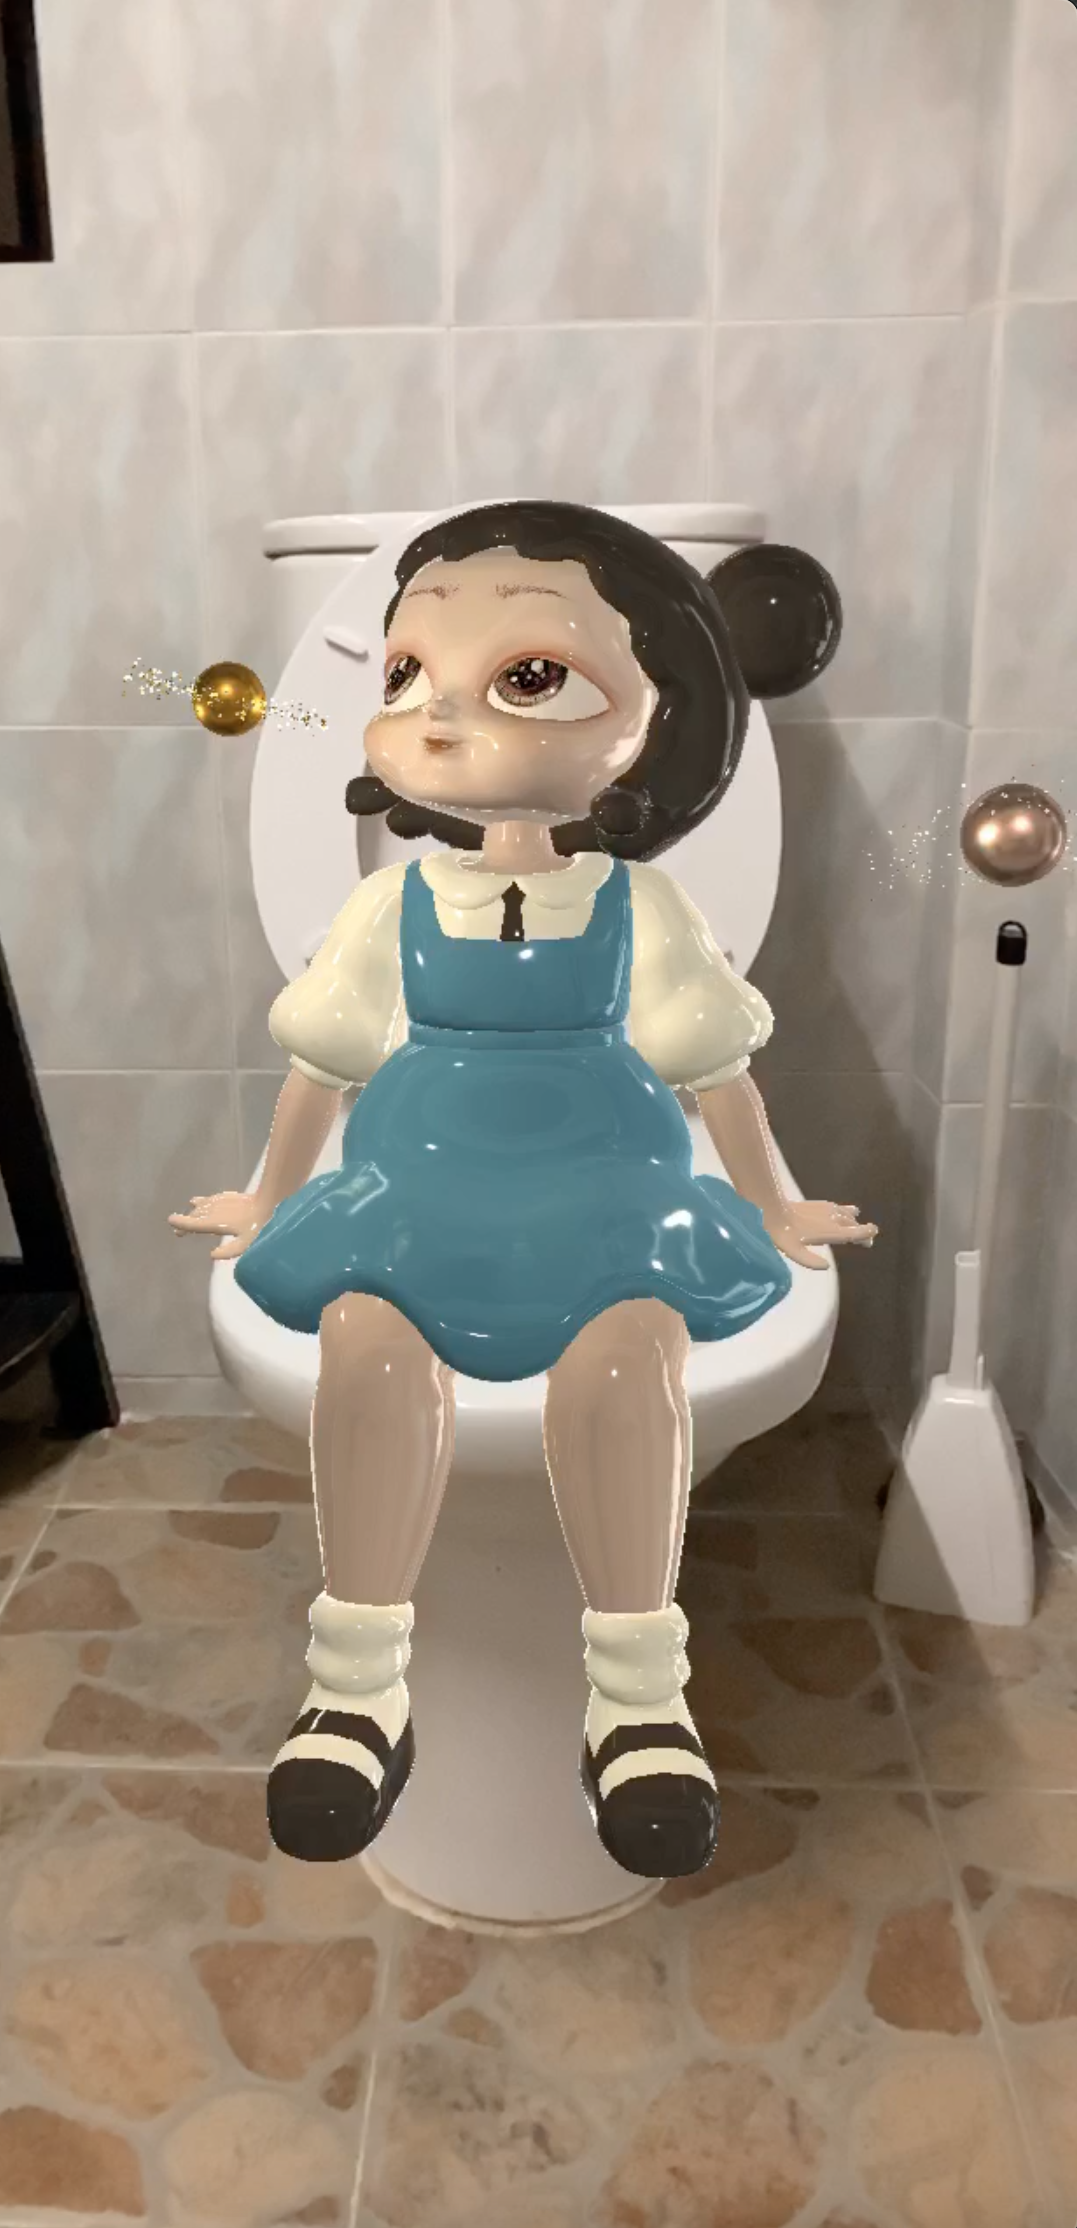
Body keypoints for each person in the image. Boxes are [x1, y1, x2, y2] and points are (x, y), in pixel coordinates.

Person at [171, 500, 876, 1879]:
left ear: (659, 715)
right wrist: (268, 1197)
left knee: (629, 1355)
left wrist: (770, 1203)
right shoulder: (388, 907)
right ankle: (356, 1690)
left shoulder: (639, 907)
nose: (436, 715)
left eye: (529, 675)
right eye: (403, 673)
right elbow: (324, 1063)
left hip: (605, 1170)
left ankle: (637, 1702)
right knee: (368, 1344)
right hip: (419, 1170)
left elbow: (710, 1067)